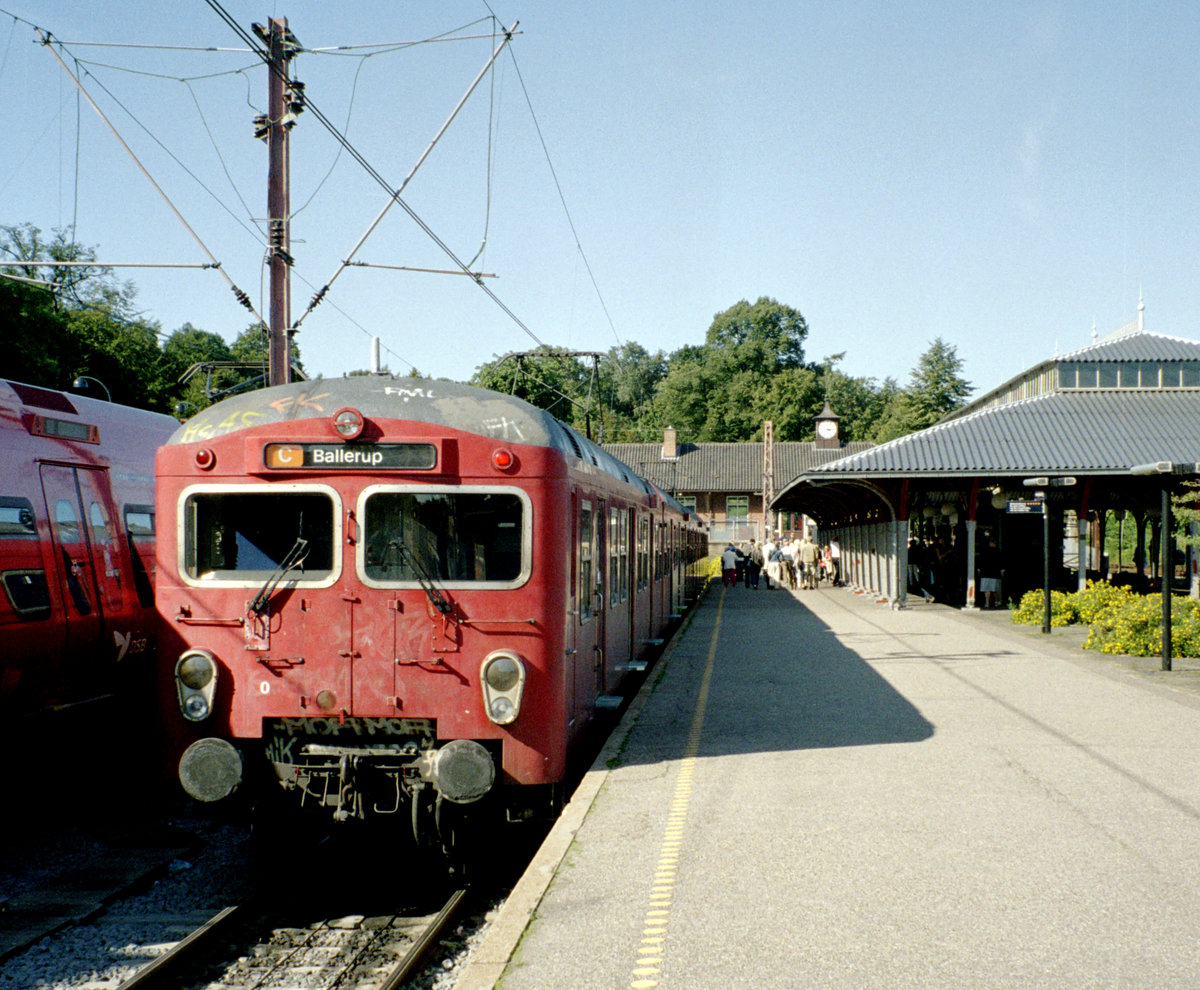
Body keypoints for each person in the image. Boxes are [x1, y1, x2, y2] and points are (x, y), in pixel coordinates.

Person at [978, 534, 1002, 609]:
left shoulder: (984, 551)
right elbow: (1001, 562)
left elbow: (980, 561)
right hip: (994, 573)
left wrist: (979, 570)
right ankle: (996, 602)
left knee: (987, 589)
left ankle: (987, 602)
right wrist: (1002, 571)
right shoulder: (998, 552)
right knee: (995, 589)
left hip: (985, 573)